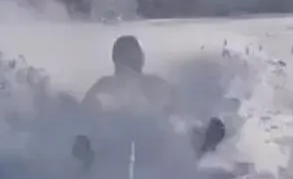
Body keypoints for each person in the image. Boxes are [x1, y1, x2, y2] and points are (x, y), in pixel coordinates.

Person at [73, 35, 227, 170]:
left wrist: (195, 127)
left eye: (135, 57)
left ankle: (199, 142)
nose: (134, 62)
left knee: (174, 130)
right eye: (129, 58)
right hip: (118, 145)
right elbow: (85, 112)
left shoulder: (154, 83)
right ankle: (89, 156)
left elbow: (180, 110)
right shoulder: (106, 84)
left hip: (153, 143)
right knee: (102, 132)